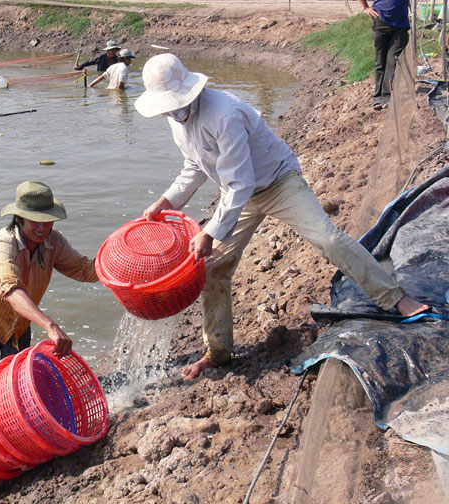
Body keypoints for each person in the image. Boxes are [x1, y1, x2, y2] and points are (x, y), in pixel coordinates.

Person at [136, 53, 430, 379]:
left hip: (278, 182)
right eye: (168, 108)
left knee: (328, 239)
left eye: (175, 105)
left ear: (189, 91)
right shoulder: (177, 120)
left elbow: (240, 182)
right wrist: (167, 200)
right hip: (241, 196)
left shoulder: (224, 113)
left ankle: (395, 298)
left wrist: (211, 232)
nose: (173, 113)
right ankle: (218, 352)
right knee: (213, 268)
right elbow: (195, 166)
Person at [0, 181, 99, 378]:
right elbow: (11, 290)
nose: (42, 228)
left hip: (19, 325)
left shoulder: (54, 241)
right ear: (19, 218)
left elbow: (84, 270)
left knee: (17, 381)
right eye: (35, 221)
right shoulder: (2, 244)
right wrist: (50, 326)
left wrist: (117, 262)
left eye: (48, 220)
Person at [354, 0, 445, 109]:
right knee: (380, 60)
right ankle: (378, 98)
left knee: (393, 58)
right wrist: (365, 8)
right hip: (381, 20)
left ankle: (387, 97)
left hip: (401, 23)